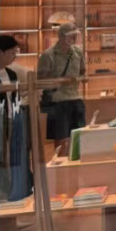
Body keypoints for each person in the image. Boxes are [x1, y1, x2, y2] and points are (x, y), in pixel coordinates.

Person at [37, 22, 86, 153]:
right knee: (61, 139)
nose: (74, 38)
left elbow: (82, 72)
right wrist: (60, 81)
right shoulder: (48, 55)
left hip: (75, 98)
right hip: (57, 101)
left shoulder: (78, 52)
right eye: (71, 35)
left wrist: (81, 78)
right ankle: (61, 162)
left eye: (75, 35)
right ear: (61, 36)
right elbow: (41, 80)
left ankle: (76, 162)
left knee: (79, 136)